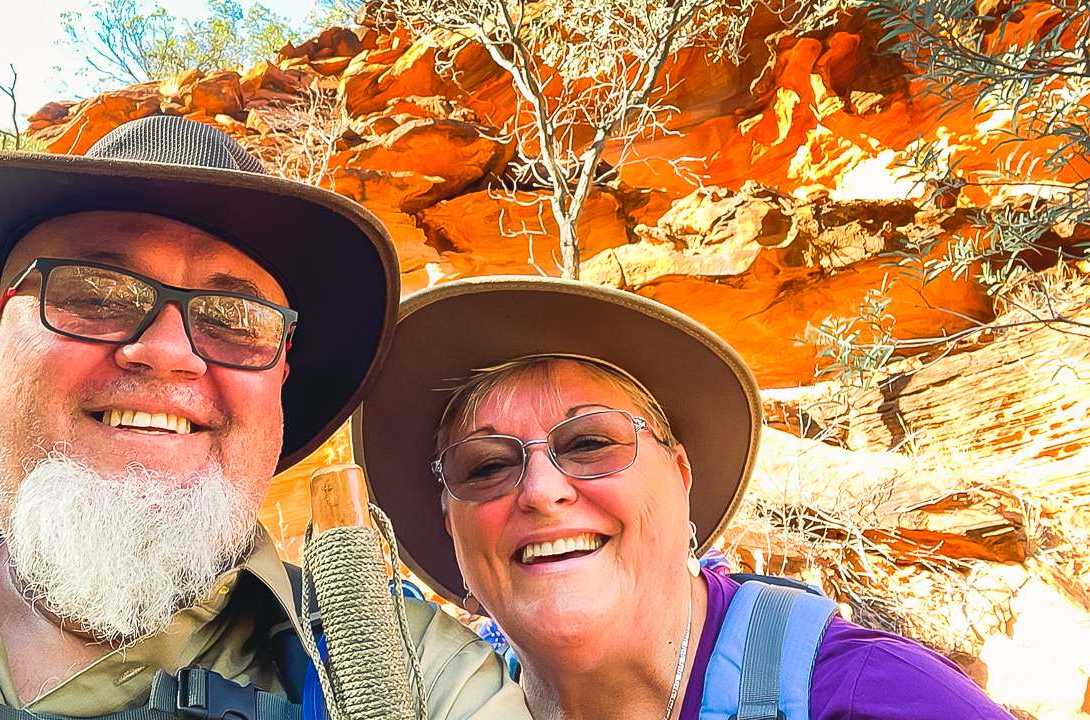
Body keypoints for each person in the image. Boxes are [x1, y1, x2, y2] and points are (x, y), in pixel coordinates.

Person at [0, 116, 527, 719]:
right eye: (95, 293)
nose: (167, 352)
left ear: (278, 380)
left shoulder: (416, 673)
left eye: (235, 318)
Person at [353, 276, 1013, 720]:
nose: (543, 491)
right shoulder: (453, 703)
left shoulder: (869, 695)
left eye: (588, 444)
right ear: (453, 531)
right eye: (486, 466)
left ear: (681, 474)